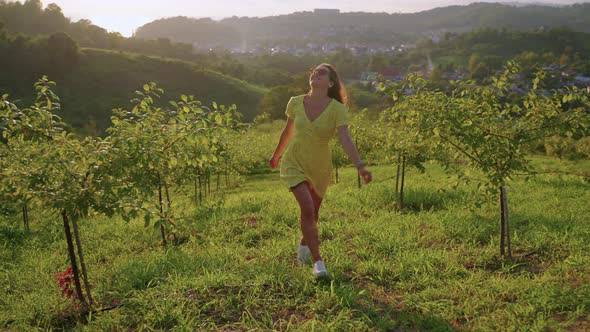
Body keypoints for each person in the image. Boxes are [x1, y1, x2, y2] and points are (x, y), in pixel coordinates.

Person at [269, 63, 372, 278]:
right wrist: (277, 154)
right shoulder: (295, 102)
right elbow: (288, 131)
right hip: (294, 162)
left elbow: (345, 139)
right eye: (314, 71)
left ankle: (302, 253)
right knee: (307, 208)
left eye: (322, 72)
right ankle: (318, 261)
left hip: (320, 167)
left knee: (312, 215)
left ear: (331, 82)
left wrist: (360, 166)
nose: (315, 73)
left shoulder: (337, 110)